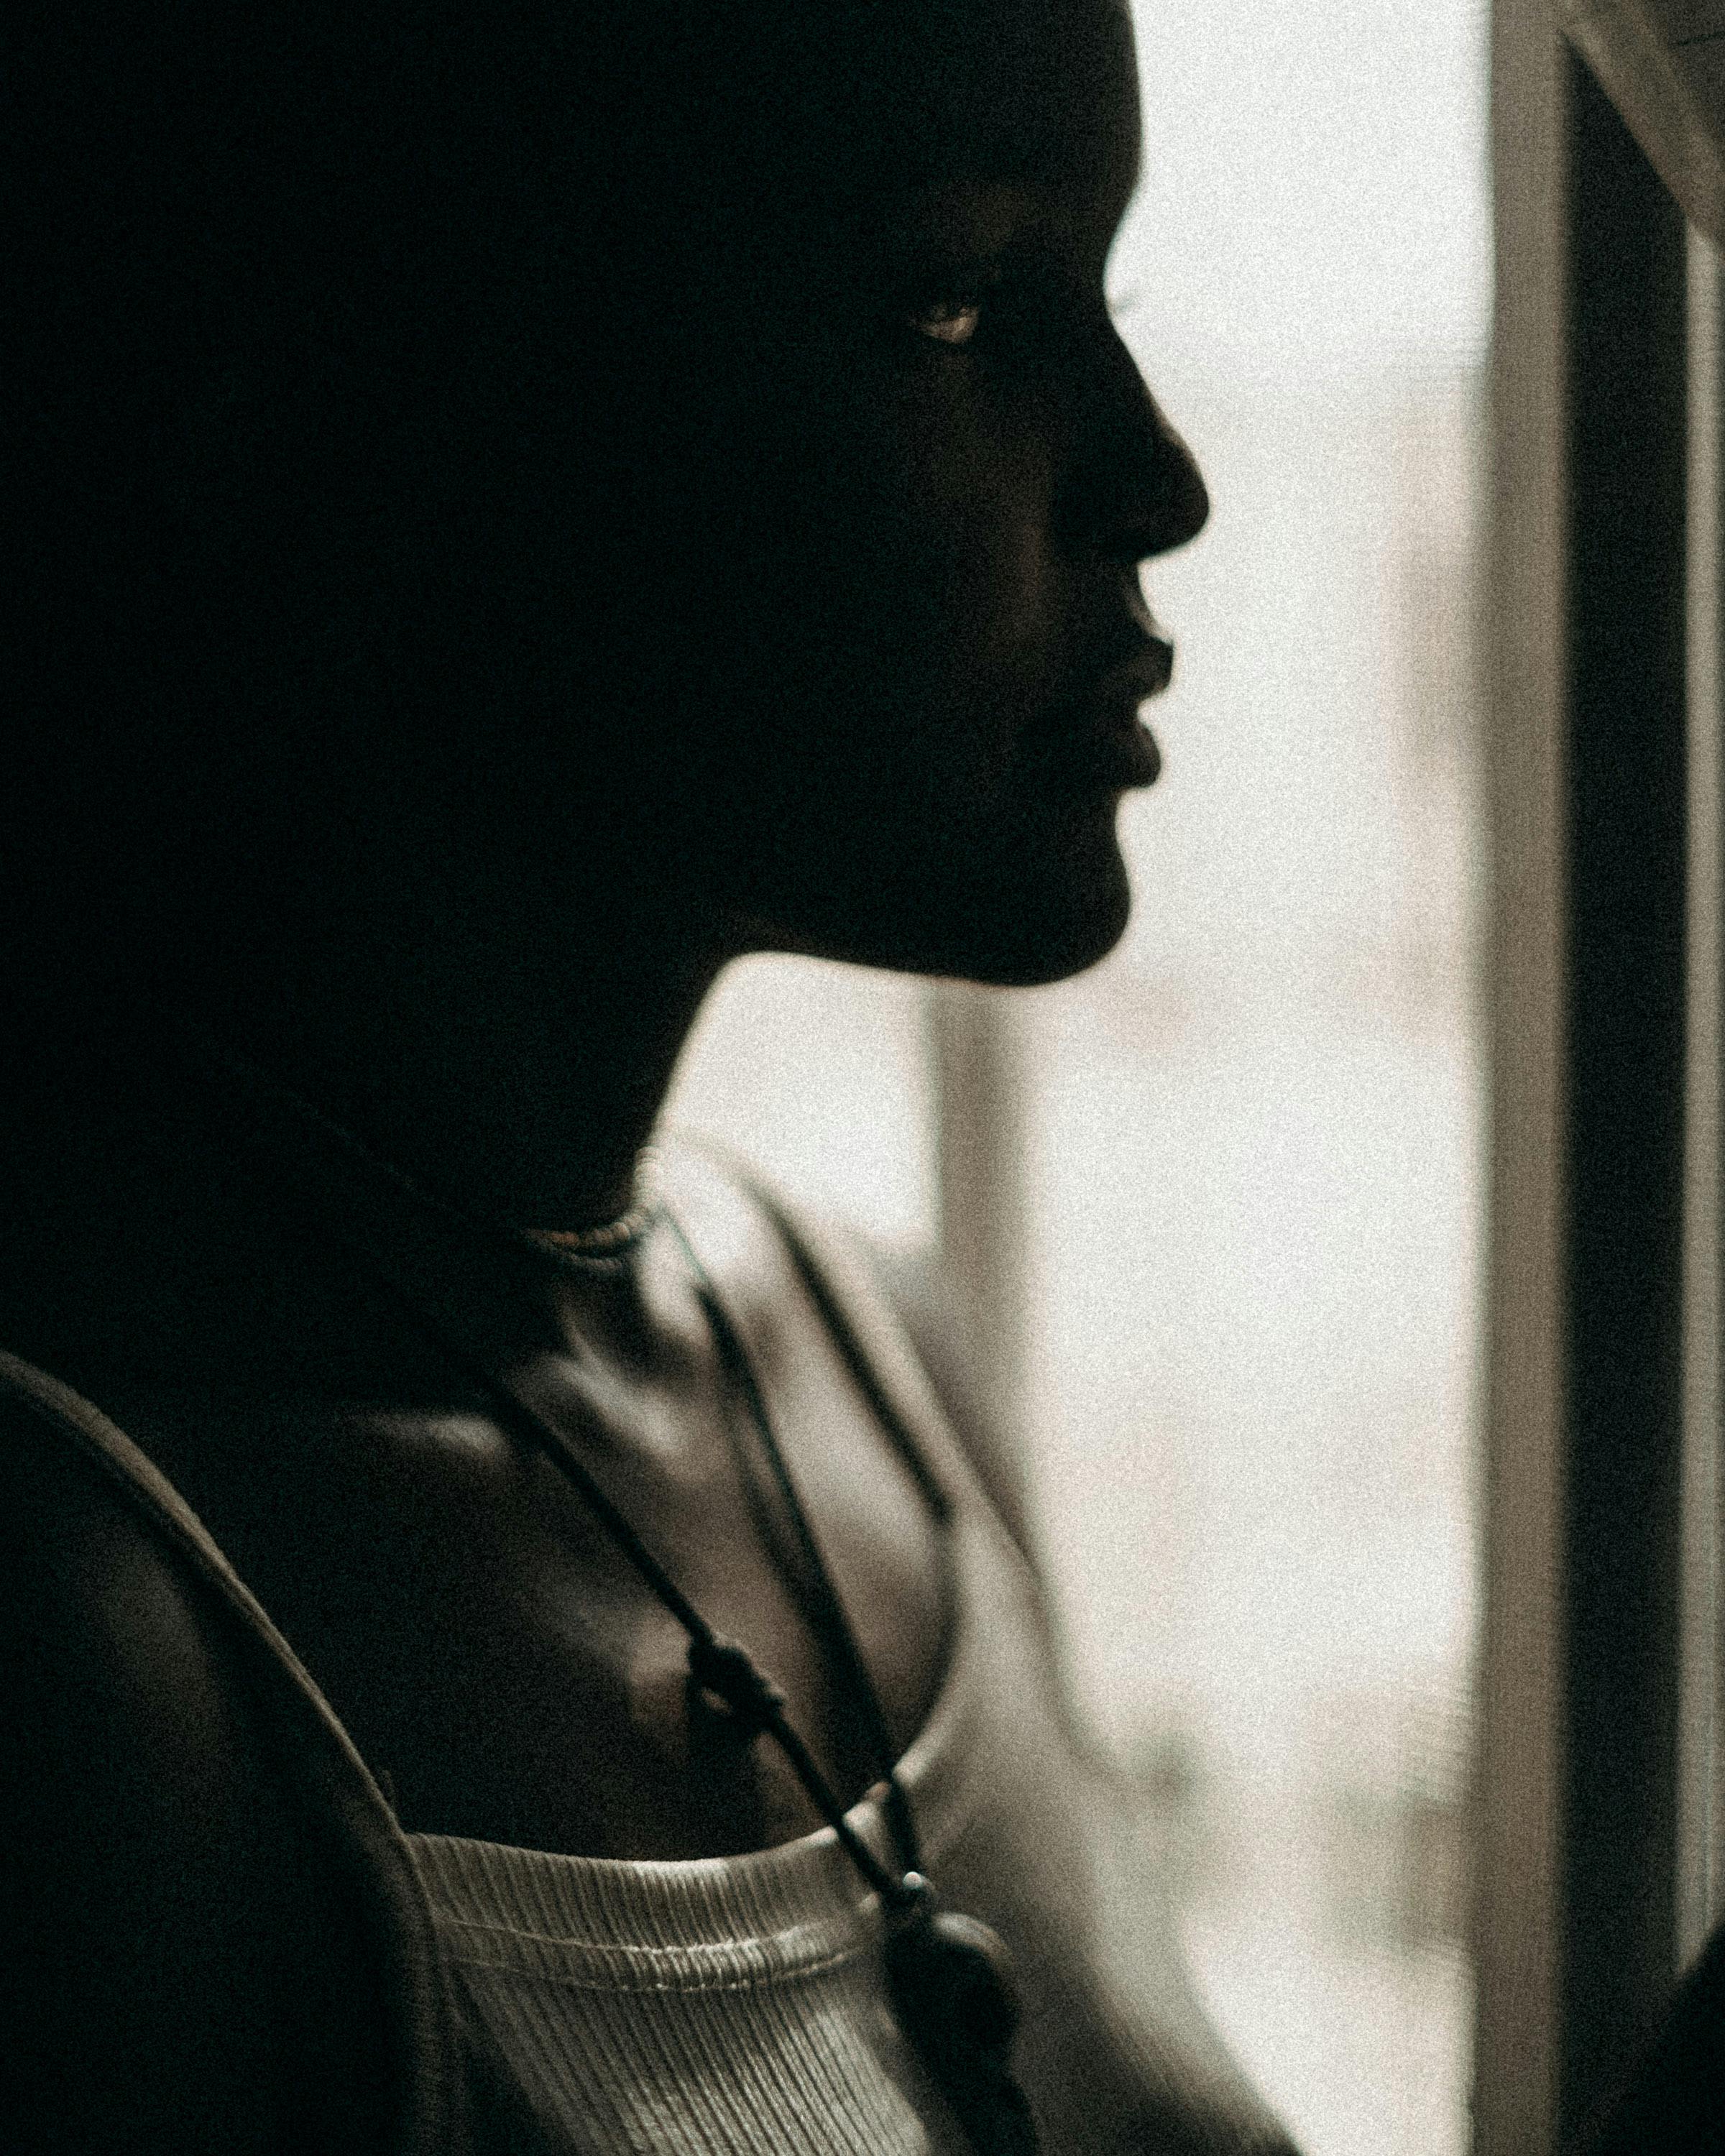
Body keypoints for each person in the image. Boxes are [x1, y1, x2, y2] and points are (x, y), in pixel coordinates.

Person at [0, 2, 1305, 2150]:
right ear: (414, 382)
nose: (1158, 476)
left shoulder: (872, 1365)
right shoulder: (74, 1642)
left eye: (1111, 295)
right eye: (953, 299)